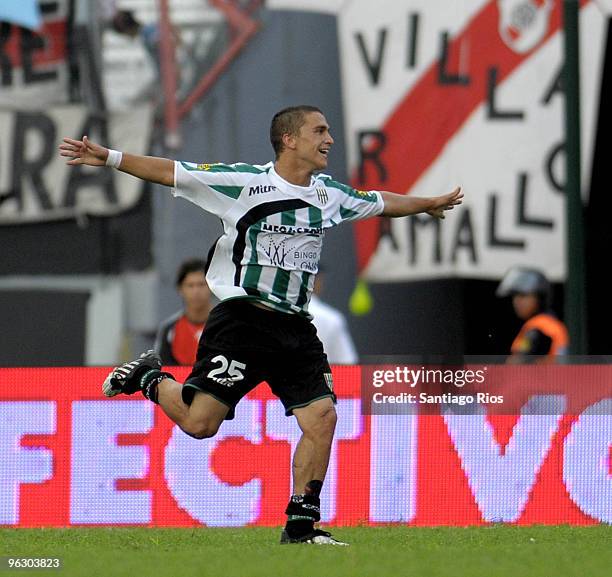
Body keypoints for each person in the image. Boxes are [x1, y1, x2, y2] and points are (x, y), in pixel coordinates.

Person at [59, 105, 463, 545]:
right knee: (199, 424)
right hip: (244, 321)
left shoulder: (329, 195)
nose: (329, 140)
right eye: (319, 131)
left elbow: (380, 202)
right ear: (289, 139)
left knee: (322, 417)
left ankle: (301, 526)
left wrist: (427, 204)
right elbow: (172, 171)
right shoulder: (243, 184)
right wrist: (111, 158)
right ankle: (149, 377)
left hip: (295, 327)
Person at [496, 266, 569, 362]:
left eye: (523, 295)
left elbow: (519, 362)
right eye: (515, 296)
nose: (517, 302)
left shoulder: (540, 327)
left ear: (540, 297)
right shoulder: (551, 324)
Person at [155, 258, 213, 365]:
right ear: (180, 289)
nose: (196, 291)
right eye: (190, 285)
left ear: (211, 287)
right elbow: (163, 369)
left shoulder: (226, 326)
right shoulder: (169, 330)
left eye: (201, 284)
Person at [308, 268, 358, 365]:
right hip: (323, 378)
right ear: (317, 281)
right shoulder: (331, 317)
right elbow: (347, 363)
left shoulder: (276, 313)